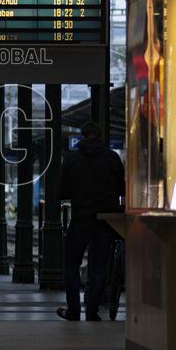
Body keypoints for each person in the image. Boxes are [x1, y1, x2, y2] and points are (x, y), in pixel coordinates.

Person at [56, 121, 125, 322]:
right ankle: (92, 311)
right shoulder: (112, 157)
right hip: (105, 220)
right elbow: (123, 188)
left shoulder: (72, 159)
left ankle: (74, 310)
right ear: (100, 136)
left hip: (80, 218)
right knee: (99, 266)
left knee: (71, 264)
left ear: (83, 136)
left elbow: (61, 192)